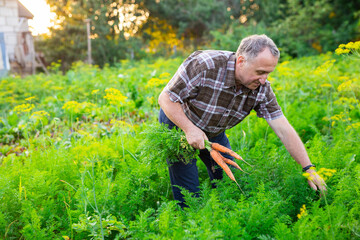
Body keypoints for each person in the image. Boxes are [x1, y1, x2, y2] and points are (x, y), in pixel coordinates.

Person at [158, 34, 326, 208]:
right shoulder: (205, 64)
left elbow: (283, 128)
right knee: (188, 194)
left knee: (230, 185)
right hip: (179, 123)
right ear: (241, 61)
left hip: (214, 131)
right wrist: (189, 129)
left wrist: (308, 169)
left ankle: (221, 216)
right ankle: (190, 220)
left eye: (268, 73)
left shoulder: (261, 90)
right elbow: (166, 98)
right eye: (260, 72)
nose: (264, 79)